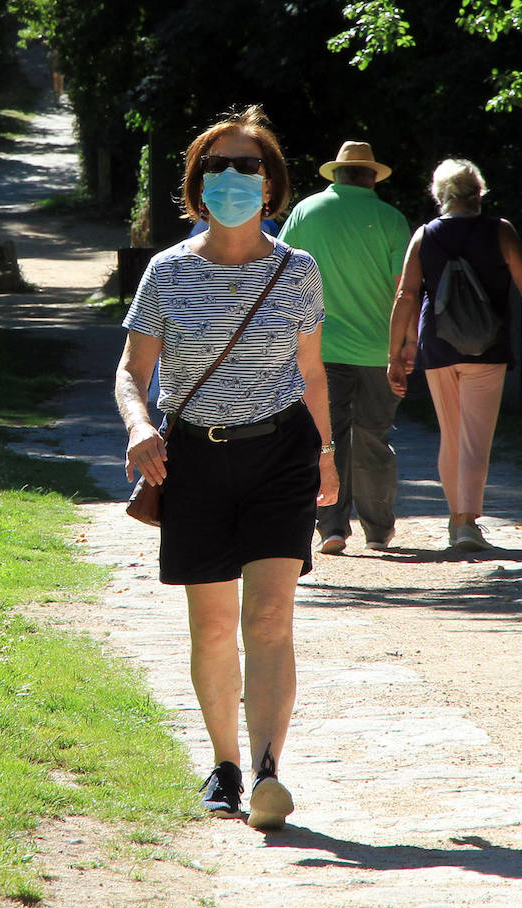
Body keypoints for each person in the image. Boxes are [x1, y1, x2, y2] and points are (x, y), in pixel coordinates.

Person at [114, 105, 338, 830]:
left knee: (269, 616)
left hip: (280, 454)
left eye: (249, 166)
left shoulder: (298, 271)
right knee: (213, 627)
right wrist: (141, 423)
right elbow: (130, 369)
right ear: (197, 184)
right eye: (219, 166)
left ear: (270, 186)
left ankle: (270, 769)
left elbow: (312, 373)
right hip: (194, 464)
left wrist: (327, 455)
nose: (234, 178)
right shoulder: (167, 271)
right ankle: (226, 766)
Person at [387, 159, 522, 550]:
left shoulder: (424, 235)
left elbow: (406, 295)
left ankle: (455, 520)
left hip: (439, 346)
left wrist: (395, 354)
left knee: (452, 434)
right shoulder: (500, 231)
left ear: (440, 195)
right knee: (476, 438)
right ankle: (468, 526)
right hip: (487, 347)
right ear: (479, 193)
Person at [279, 141, 410, 554]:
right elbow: (403, 291)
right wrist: (406, 347)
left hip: (317, 348)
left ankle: (331, 527)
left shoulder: (305, 211)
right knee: (374, 436)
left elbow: (279, 269)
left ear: (336, 174)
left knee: (325, 437)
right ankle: (378, 530)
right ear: (372, 177)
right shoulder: (391, 219)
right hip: (378, 351)